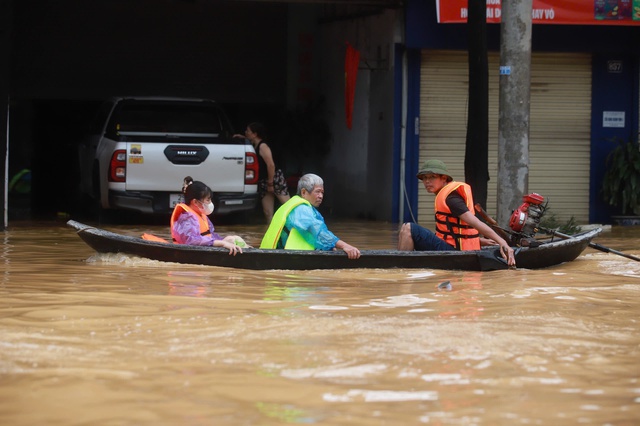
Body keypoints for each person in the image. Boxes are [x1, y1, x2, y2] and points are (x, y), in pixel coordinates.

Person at [397, 159, 516, 266]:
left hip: (454, 252)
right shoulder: (445, 195)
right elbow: (454, 233)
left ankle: (400, 268)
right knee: (405, 229)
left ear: (444, 178)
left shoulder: (451, 199)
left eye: (432, 177)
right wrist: (479, 241)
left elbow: (475, 222)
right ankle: (399, 262)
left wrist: (502, 242)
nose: (427, 181)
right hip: (452, 247)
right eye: (425, 178)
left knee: (408, 228)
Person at [260, 173, 361, 259]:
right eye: (317, 191)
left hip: (275, 256)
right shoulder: (301, 209)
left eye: (322, 192)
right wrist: (345, 246)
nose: (321, 196)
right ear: (304, 192)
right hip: (287, 259)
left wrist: (330, 247)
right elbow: (318, 232)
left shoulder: (295, 204)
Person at [171, 176, 248, 255]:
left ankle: (248, 251)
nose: (210, 202)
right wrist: (222, 243)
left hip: (203, 249)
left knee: (233, 239)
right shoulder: (186, 218)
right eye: (208, 200)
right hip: (191, 253)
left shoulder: (201, 215)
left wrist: (224, 241)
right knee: (229, 240)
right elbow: (192, 241)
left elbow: (211, 235)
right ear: (195, 202)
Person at [233, 122, 290, 223]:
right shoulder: (254, 144)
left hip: (274, 179)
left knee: (288, 206)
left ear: (255, 134)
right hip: (264, 181)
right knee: (267, 212)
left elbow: (271, 165)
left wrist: (271, 183)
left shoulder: (262, 146)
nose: (246, 132)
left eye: (248, 131)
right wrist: (242, 137)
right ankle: (271, 233)